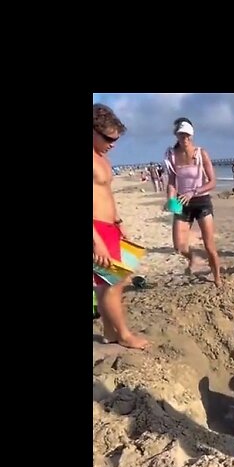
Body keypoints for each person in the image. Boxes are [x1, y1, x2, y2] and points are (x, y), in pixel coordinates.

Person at [93, 104, 149, 350]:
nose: (113, 143)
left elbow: (105, 194)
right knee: (111, 284)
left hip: (110, 226)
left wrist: (118, 222)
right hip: (96, 231)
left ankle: (108, 331)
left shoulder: (102, 158)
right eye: (108, 138)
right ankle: (124, 335)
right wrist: (97, 242)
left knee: (117, 280)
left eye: (116, 139)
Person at [164, 118, 221, 286]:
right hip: (182, 203)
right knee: (179, 247)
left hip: (202, 202)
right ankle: (192, 258)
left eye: (187, 135)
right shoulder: (172, 155)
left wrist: (193, 192)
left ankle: (217, 277)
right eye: (181, 135)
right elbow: (172, 181)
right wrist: (170, 199)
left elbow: (212, 182)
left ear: (192, 135)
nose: (185, 138)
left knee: (209, 246)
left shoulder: (201, 153)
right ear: (176, 135)